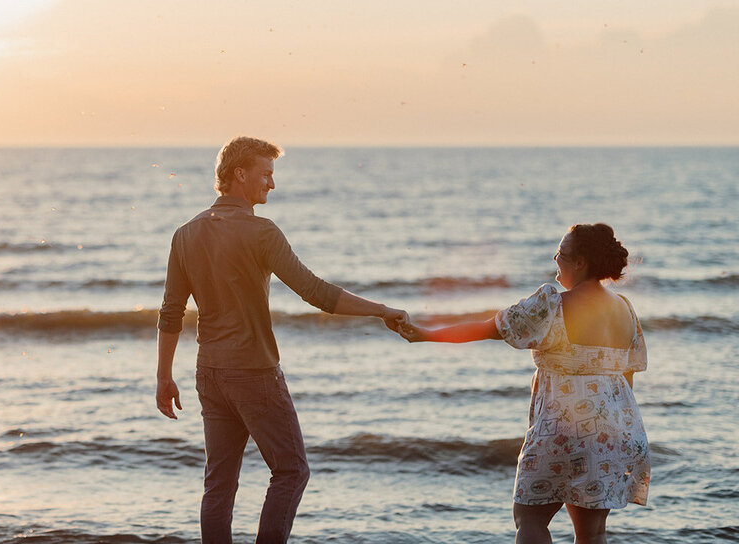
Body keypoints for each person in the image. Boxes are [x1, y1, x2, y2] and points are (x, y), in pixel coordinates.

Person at [155, 136, 409, 544]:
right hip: (254, 373)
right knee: (292, 471)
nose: (271, 184)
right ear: (240, 174)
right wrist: (381, 309)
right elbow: (316, 293)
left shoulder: (185, 234)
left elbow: (170, 313)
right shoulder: (261, 232)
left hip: (210, 373)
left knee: (219, 483)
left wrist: (163, 377)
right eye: (266, 174)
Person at [396, 223, 650, 544]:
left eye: (561, 253)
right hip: (615, 432)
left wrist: (425, 334)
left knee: (530, 517)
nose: (555, 260)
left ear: (580, 262)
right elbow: (627, 378)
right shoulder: (625, 308)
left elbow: (490, 328)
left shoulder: (553, 303)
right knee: (592, 532)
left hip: (561, 429)